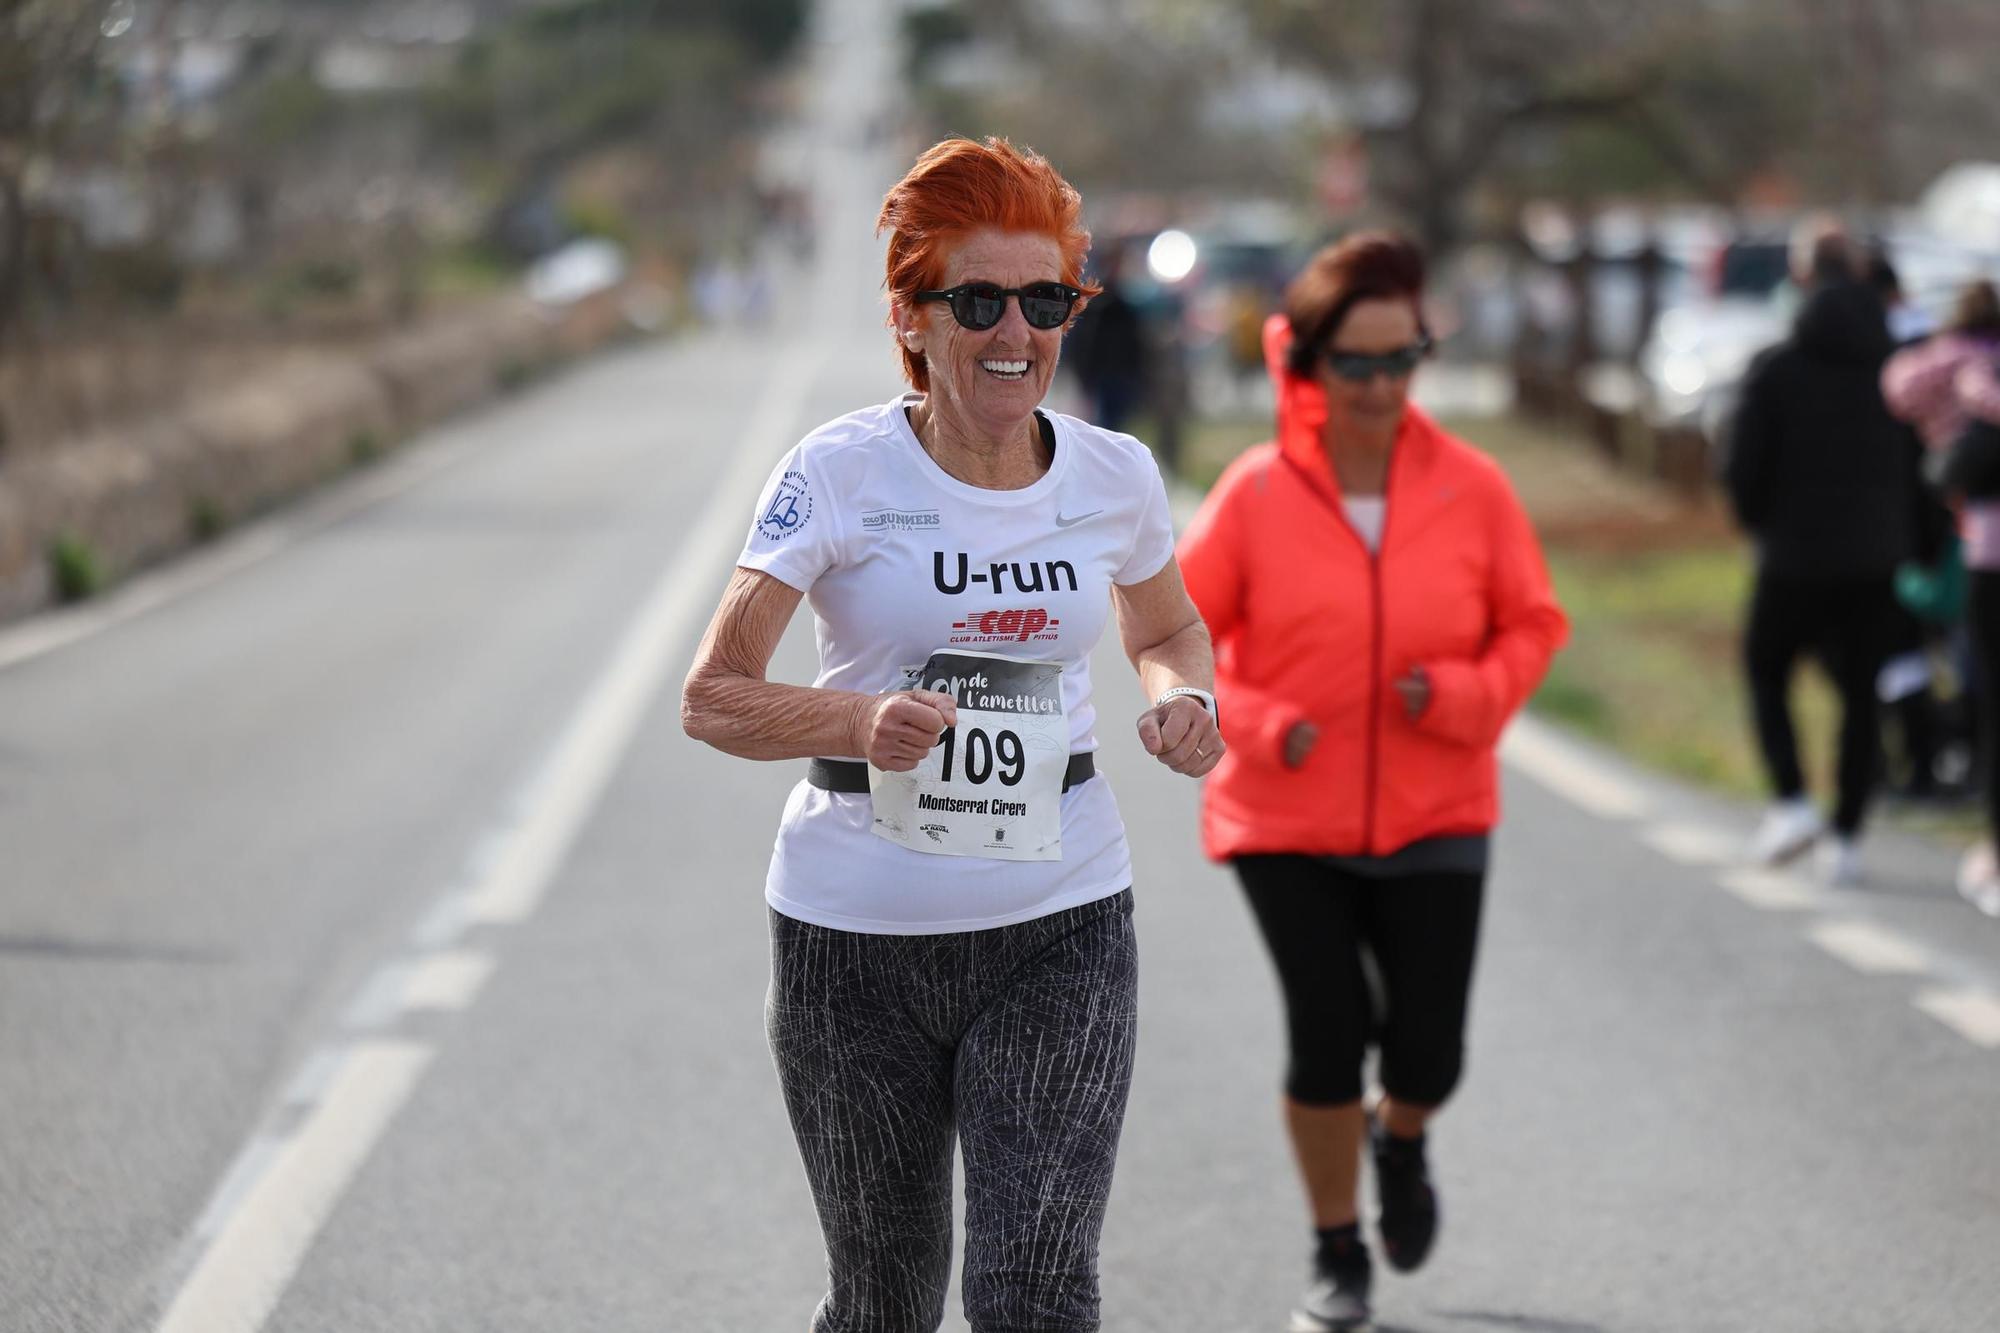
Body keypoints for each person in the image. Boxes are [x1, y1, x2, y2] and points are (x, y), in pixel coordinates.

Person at [679, 136, 1222, 1333]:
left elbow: (1169, 625)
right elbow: (712, 694)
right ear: (912, 318)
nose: (1013, 332)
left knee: (1033, 1294)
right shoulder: (837, 474)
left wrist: (1183, 697)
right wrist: (855, 718)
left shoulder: (1113, 476)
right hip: (850, 941)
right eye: (977, 300)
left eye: (1045, 301)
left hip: (1060, 923)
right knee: (882, 1305)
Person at [1176, 232, 1568, 1333]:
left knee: (1427, 1052)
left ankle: (1402, 1138)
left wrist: (1467, 697)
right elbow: (1175, 630)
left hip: (1437, 800)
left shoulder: (1470, 487)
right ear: (1303, 362)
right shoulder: (1253, 494)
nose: (1383, 385)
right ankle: (1334, 1246)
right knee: (1325, 1024)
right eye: (1357, 363)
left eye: (1405, 359)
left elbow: (1533, 621)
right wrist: (1254, 720)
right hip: (1280, 813)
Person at [1723, 221, 1930, 884]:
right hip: (1876, 556)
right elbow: (1920, 465)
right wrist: (1915, 544)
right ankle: (1847, 835)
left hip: (1793, 554)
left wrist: (1761, 521)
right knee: (1861, 695)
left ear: (1802, 275)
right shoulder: (1895, 368)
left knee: (1765, 665)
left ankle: (1791, 799)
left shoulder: (1778, 366)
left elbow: (1742, 465)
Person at [1883, 279, 2000, 913]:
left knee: (1977, 677)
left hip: (1973, 542)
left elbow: (1898, 386)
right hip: (1967, 539)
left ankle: (1959, 777)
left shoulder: (1952, 365)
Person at [1067, 247, 1149, 433]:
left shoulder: (1126, 303)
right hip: (1104, 375)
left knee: (1117, 423)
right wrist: (1085, 375)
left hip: (1121, 374)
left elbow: (1135, 342)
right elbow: (1086, 341)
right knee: (1106, 424)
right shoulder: (1099, 303)